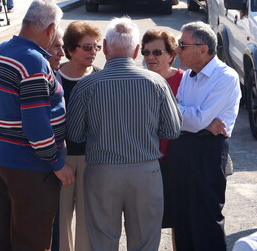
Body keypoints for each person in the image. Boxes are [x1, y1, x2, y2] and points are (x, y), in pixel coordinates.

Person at [66, 17, 182, 251]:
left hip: (102, 171)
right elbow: (172, 130)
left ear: (106, 47)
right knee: (145, 241)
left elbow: (75, 135)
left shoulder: (87, 86)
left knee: (103, 241)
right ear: (137, 49)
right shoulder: (157, 82)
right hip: (145, 171)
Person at [0, 0, 74, 251]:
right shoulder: (34, 62)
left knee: (1, 238)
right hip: (27, 168)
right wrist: (57, 164)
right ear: (50, 30)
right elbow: (36, 128)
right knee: (32, 242)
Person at [168, 21, 241, 251]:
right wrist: (199, 120)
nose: (177, 50)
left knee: (206, 218)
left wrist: (198, 121)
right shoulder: (189, 76)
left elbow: (192, 118)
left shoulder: (225, 77)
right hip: (183, 148)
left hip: (208, 151)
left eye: (182, 44)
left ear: (202, 49)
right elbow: (174, 114)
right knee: (182, 218)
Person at [58, 21, 102, 251]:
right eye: (87, 47)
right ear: (70, 49)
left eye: (96, 47)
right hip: (61, 160)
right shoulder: (54, 78)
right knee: (59, 222)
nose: (93, 52)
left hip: (90, 160)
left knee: (88, 223)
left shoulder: (100, 78)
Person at [141, 29, 184, 231]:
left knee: (178, 221)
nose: (150, 57)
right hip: (147, 163)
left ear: (171, 55)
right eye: (146, 52)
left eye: (157, 52)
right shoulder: (139, 81)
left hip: (177, 162)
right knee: (148, 224)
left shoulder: (186, 81)